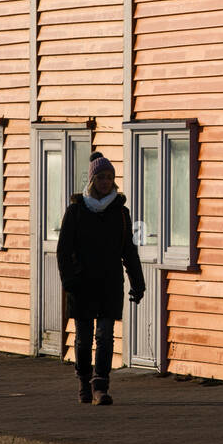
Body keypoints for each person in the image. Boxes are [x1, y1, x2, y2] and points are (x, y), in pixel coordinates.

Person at [56, 151, 146, 405]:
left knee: (105, 336)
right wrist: (69, 280)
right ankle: (84, 381)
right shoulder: (76, 211)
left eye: (110, 178)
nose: (106, 182)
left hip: (109, 283)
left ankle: (100, 385)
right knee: (84, 339)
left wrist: (137, 283)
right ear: (92, 180)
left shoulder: (120, 213)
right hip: (82, 284)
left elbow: (128, 250)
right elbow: (63, 250)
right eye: (101, 177)